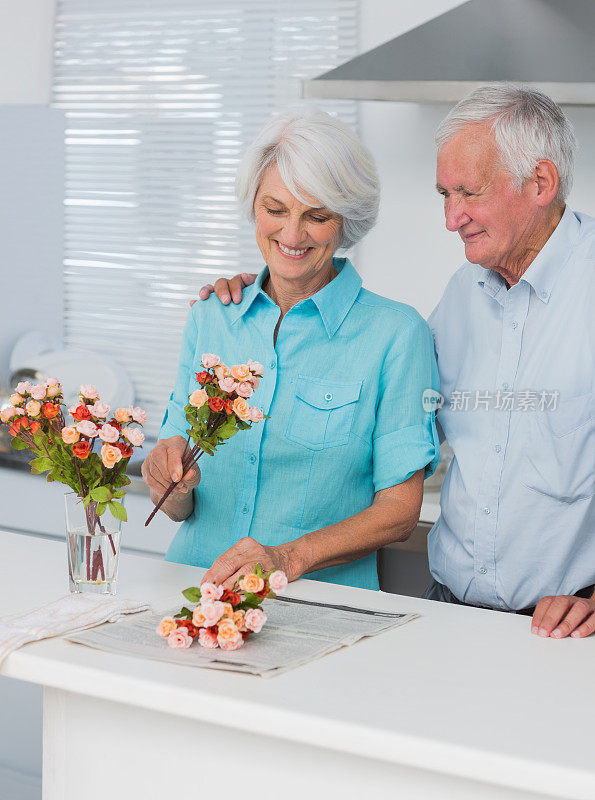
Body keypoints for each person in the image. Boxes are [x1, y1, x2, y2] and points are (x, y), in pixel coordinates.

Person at [202, 85, 594, 637]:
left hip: (566, 632)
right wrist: (266, 299)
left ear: (541, 183)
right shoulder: (462, 298)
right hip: (449, 611)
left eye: (468, 193)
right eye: (443, 194)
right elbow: (371, 391)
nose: (451, 218)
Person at [142, 108, 439, 591]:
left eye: (317, 216)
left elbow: (399, 514)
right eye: (275, 209)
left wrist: (287, 558)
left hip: (318, 606)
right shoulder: (211, 316)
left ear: (347, 219)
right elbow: (180, 504)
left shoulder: (396, 334)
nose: (292, 235)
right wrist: (167, 480)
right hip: (191, 589)